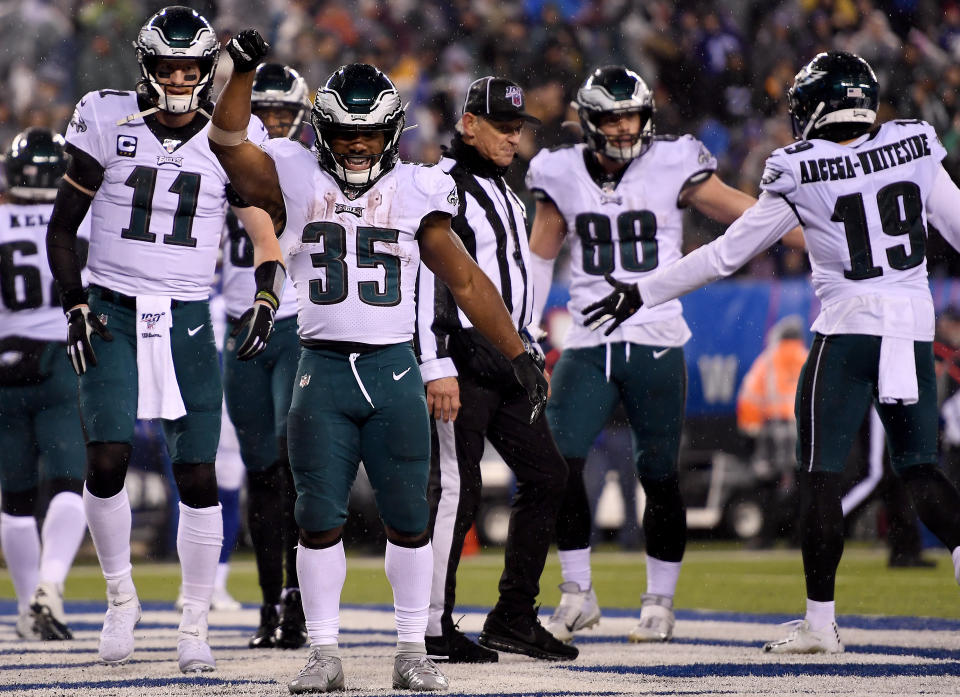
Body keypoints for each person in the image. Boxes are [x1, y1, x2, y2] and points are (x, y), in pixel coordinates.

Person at [209, 30, 549, 693]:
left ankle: (411, 649)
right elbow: (228, 145)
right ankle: (324, 652)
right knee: (317, 519)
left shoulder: (419, 187)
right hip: (322, 367)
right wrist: (240, 73)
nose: (357, 145)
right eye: (343, 133)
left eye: (368, 133)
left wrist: (518, 354)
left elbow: (469, 282)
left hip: (394, 370)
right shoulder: (295, 169)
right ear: (322, 130)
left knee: (410, 521)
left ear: (390, 131)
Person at [590, 50, 960, 654]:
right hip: (912, 328)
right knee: (921, 469)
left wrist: (645, 291)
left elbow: (723, 256)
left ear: (813, 108)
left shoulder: (798, 166)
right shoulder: (914, 142)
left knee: (819, 477)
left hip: (847, 328)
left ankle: (820, 623)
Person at [45, 6, 284, 673]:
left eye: (191, 67)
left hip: (186, 316)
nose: (179, 78)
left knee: (198, 473)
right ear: (146, 68)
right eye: (169, 65)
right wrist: (74, 302)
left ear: (207, 71)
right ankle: (121, 598)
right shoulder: (106, 118)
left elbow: (267, 231)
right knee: (109, 459)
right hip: (113, 309)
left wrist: (268, 292)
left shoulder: (232, 135)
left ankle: (193, 621)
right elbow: (63, 228)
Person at [526, 65, 775, 644]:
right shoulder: (559, 171)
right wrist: (527, 327)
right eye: (611, 117)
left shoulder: (674, 161)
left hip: (657, 333)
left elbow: (749, 212)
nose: (622, 127)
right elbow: (541, 254)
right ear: (589, 121)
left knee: (658, 473)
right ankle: (577, 592)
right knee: (559, 462)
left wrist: (811, 231)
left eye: (631, 115)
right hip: (588, 338)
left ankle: (659, 601)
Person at [416, 77, 574, 663]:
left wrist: (527, 349)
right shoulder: (443, 187)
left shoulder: (505, 193)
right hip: (461, 357)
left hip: (505, 360)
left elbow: (513, 285)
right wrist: (435, 361)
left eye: (517, 127)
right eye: (501, 126)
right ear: (469, 124)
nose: (512, 137)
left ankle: (512, 615)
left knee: (548, 476)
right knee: (457, 490)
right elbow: (433, 278)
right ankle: (432, 625)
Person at [220, 62, 309, 649]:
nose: (272, 122)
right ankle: (267, 603)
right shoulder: (212, 156)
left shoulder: (309, 166)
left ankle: (298, 600)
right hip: (237, 327)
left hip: (296, 322)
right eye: (263, 111)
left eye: (282, 113)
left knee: (291, 464)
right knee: (259, 472)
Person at [0, 128, 90, 641]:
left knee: (14, 498)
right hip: (59, 358)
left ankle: (24, 606)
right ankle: (49, 589)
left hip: (4, 365)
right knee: (67, 481)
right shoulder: (80, 221)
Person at [736, 315, 808, 548]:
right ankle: (799, 536)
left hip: (772, 428)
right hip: (801, 428)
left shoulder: (767, 361)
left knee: (768, 484)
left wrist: (749, 430)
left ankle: (766, 536)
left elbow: (749, 396)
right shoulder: (807, 359)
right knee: (802, 484)